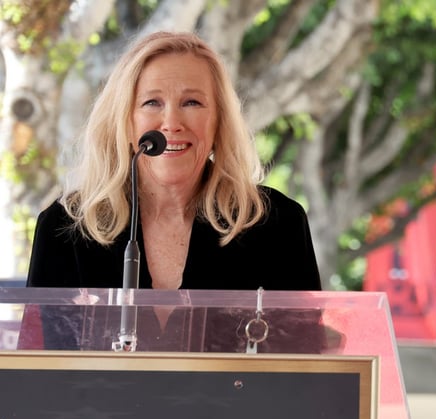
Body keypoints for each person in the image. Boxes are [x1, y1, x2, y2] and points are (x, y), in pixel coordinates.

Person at [26, 31, 321, 291]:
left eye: (192, 102)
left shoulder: (280, 224)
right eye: (151, 102)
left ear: (219, 122)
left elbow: (303, 351)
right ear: (125, 122)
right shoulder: (63, 226)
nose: (171, 123)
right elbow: (40, 352)